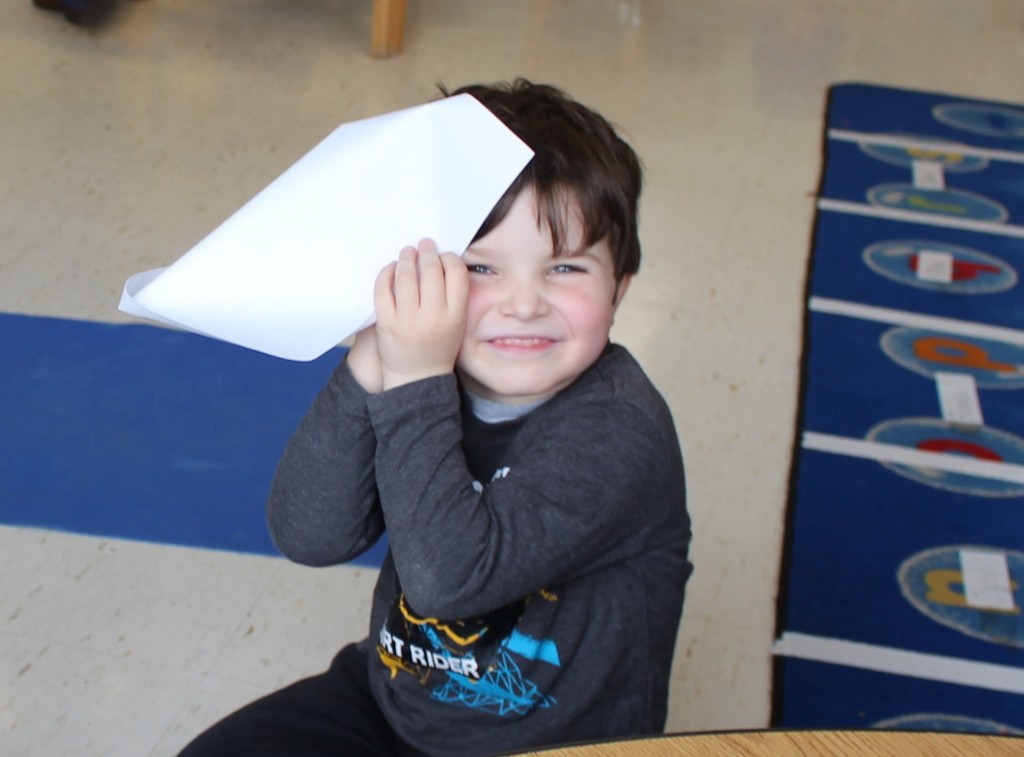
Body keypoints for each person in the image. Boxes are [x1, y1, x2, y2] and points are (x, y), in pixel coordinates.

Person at [180, 79, 692, 757]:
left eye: (566, 268)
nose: (524, 304)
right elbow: (309, 533)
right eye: (480, 267)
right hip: (396, 702)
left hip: (555, 745)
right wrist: (370, 365)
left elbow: (450, 582)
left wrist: (416, 378)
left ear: (620, 288)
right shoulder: (424, 372)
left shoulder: (620, 430)